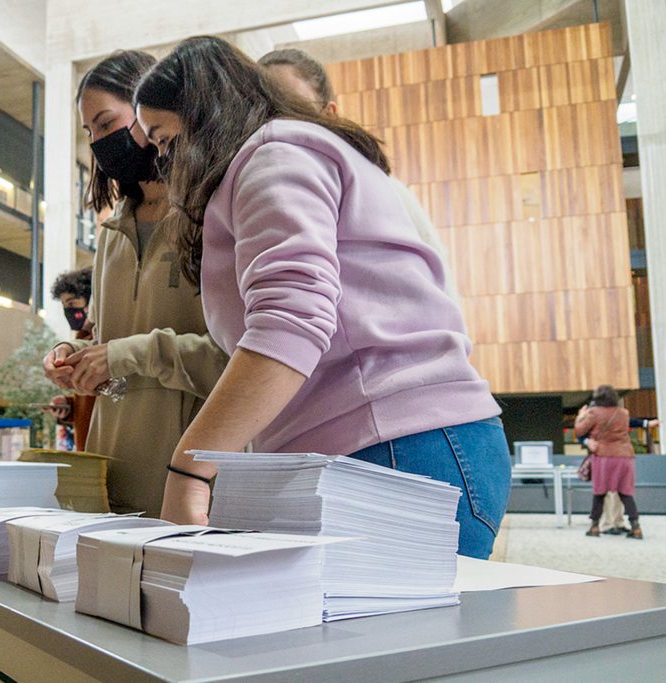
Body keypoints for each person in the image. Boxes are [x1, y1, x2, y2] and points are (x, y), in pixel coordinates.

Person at [133, 36, 511, 559]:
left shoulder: (274, 154)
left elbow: (290, 321)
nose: (162, 159)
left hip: (397, 440)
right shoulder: (275, 157)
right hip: (381, 441)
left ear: (202, 114)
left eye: (163, 138)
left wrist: (188, 469)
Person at [43, 50, 228, 517]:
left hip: (192, 476)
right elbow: (110, 356)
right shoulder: (110, 234)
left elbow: (236, 360)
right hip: (111, 473)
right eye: (91, 134)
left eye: (107, 124)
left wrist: (127, 354)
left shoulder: (210, 212)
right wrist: (79, 363)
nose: (100, 143)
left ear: (149, 111)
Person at [258, 48, 459, 302]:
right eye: (263, 111)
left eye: (292, 108)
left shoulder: (384, 191)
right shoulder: (262, 202)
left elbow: (442, 292)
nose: (276, 125)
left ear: (328, 114)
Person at [575, 385, 643, 539]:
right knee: (626, 493)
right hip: (625, 457)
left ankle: (594, 527)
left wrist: (580, 416)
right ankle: (636, 527)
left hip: (604, 456)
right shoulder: (624, 413)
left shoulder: (594, 413)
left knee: (600, 492)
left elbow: (580, 430)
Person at [48, 267, 96, 450]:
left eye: (72, 303)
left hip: (104, 448)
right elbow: (89, 399)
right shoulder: (80, 340)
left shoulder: (104, 342)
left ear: (91, 302)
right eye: (64, 306)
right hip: (87, 447)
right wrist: (68, 407)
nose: (68, 311)